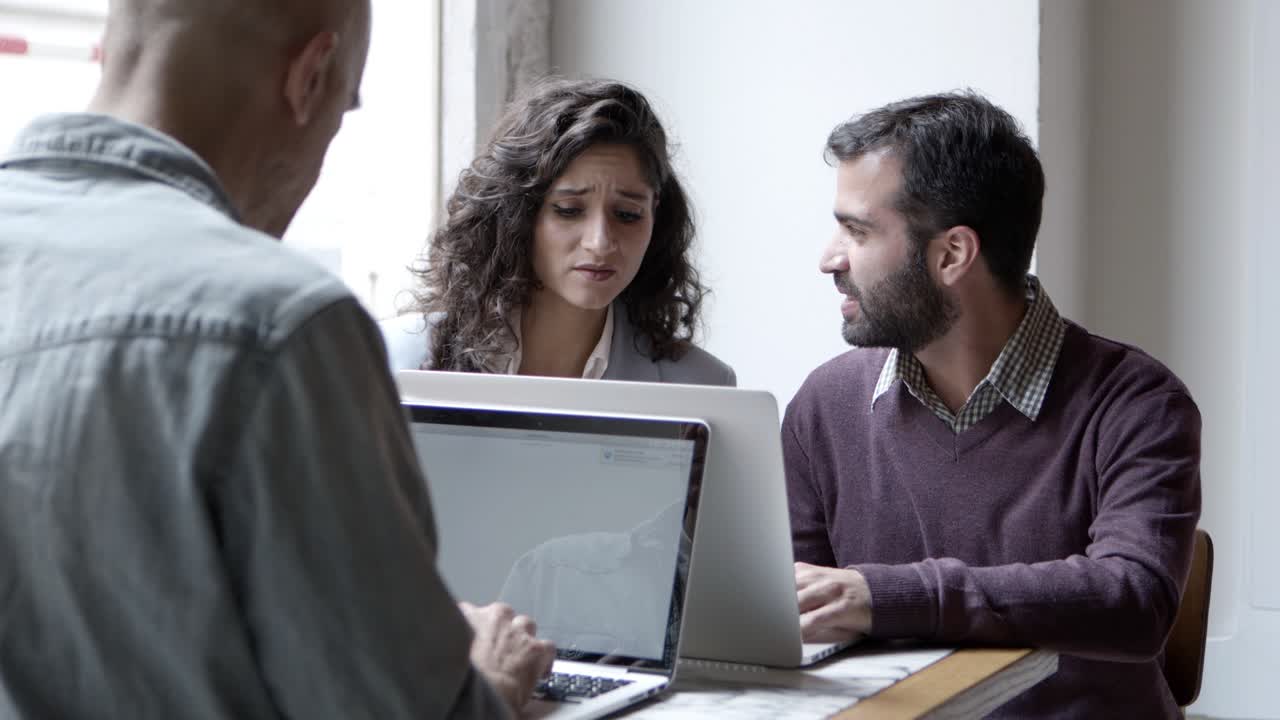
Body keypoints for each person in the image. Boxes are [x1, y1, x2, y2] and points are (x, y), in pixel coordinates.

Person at [0, 1, 553, 717]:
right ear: (311, 77)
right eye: (342, 109)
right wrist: (486, 682)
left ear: (112, 47)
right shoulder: (279, 326)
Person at [783, 91, 1201, 717]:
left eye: (858, 230)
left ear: (952, 253)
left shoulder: (1136, 402)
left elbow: (1134, 599)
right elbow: (790, 613)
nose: (829, 259)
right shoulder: (826, 404)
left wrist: (885, 596)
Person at [382, 77, 735, 386]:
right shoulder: (398, 359)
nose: (599, 242)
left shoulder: (701, 385)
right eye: (568, 211)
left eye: (627, 215)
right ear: (518, 212)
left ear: (655, 215)